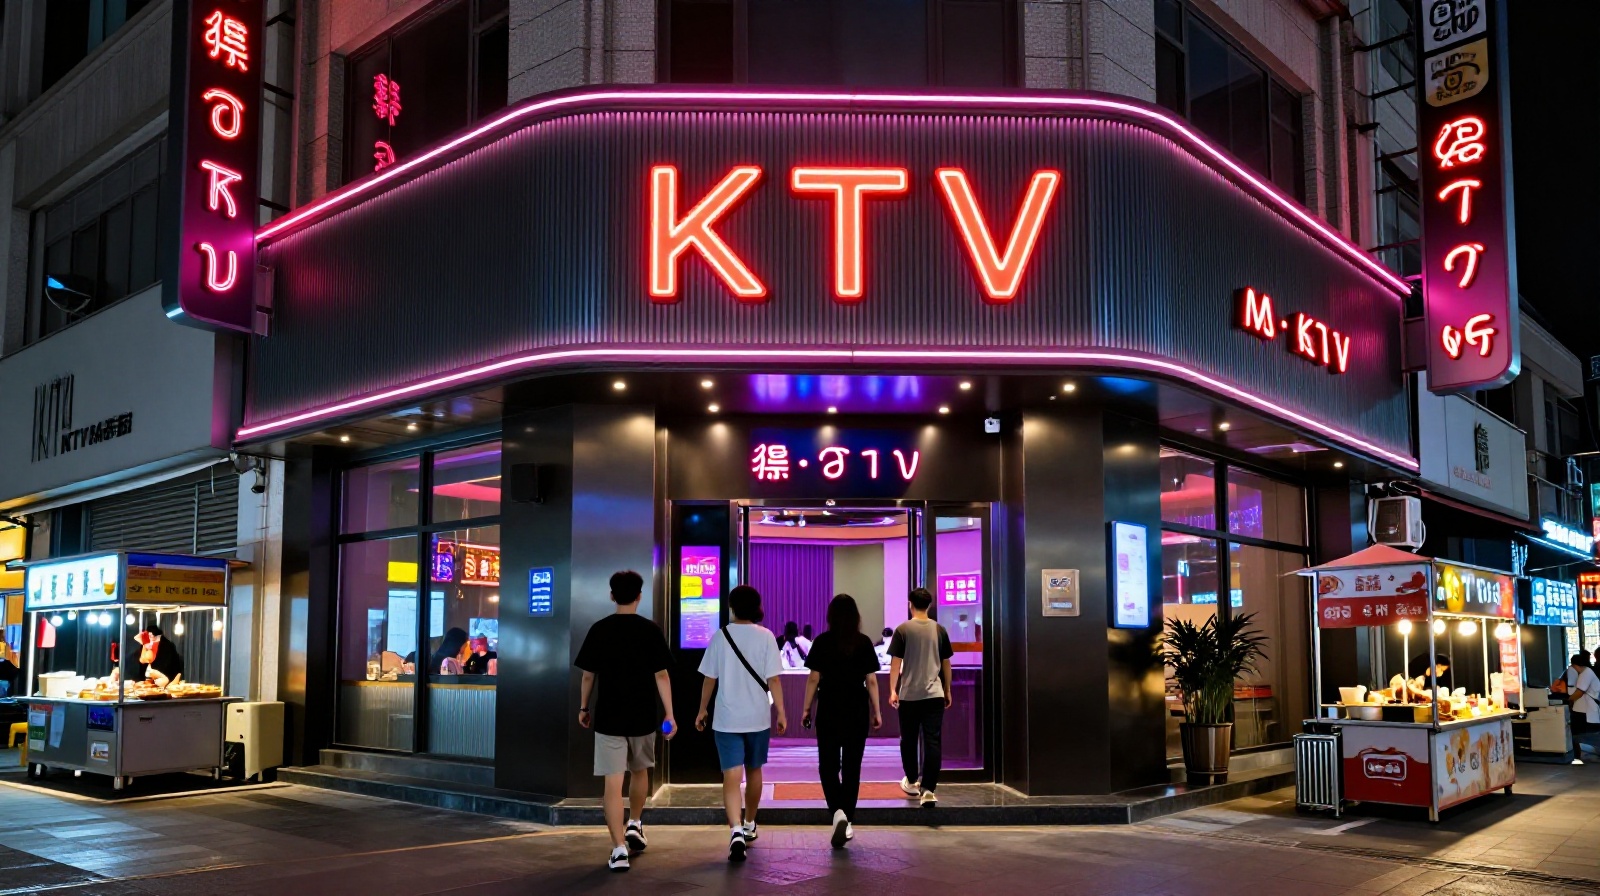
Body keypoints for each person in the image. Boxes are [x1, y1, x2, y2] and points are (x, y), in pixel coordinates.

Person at [574, 570, 677, 873]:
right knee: (641, 770)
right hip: (643, 715)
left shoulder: (599, 629)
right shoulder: (650, 630)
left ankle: (619, 848)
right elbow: (662, 674)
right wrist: (669, 713)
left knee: (612, 782)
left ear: (611, 595)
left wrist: (583, 707)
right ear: (639, 596)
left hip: (608, 716)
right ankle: (635, 822)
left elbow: (588, 674)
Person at [696, 585, 785, 862]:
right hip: (758, 717)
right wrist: (781, 711)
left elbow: (709, 678)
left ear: (732, 607)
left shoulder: (720, 637)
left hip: (726, 719)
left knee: (731, 776)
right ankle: (749, 823)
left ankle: (735, 829)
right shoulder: (767, 636)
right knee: (754, 770)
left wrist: (701, 710)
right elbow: (774, 680)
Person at [801, 594, 882, 848]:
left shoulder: (822, 642)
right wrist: (877, 711)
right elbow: (871, 681)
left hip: (829, 709)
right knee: (851, 768)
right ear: (856, 616)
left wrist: (806, 709)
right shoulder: (864, 642)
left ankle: (837, 813)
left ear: (831, 616)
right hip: (857, 710)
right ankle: (847, 817)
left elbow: (814, 678)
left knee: (827, 765)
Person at [888, 587, 952, 808]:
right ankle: (929, 790)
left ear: (910, 605)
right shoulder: (939, 630)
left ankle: (912, 780)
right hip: (934, 694)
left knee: (909, 739)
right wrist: (948, 690)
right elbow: (946, 663)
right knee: (932, 740)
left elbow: (895, 663)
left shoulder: (903, 630)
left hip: (909, 695)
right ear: (930, 605)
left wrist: (893, 690)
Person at [1563, 652, 1600, 762]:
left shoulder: (1586, 673)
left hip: (1588, 709)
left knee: (1586, 733)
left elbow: (1580, 692)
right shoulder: (1587, 672)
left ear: (1576, 665)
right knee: (1586, 732)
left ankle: (1577, 755)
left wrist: (1569, 700)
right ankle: (1578, 755)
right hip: (1586, 709)